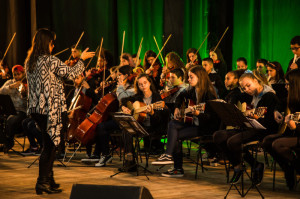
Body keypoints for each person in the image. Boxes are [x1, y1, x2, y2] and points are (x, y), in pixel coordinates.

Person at [25, 28, 94, 195]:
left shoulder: (30, 61)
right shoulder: (49, 60)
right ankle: (42, 182)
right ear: (47, 43)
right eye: (51, 42)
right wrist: (81, 59)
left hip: (36, 108)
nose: (53, 45)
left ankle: (50, 180)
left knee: (50, 143)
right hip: (50, 108)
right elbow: (71, 73)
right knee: (50, 146)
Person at [152, 66, 220, 177]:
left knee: (176, 136)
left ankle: (176, 167)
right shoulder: (192, 90)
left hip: (205, 128)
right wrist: (177, 107)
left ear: (200, 77)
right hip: (193, 123)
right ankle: (170, 159)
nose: (188, 79)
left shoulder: (209, 94)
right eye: (188, 77)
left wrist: (198, 114)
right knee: (173, 124)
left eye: (191, 77)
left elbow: (211, 118)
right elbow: (180, 97)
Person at [213, 72, 279, 185]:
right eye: (244, 88)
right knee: (218, 136)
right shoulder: (250, 94)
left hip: (263, 130)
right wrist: (232, 105)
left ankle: (250, 166)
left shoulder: (270, 96)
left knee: (233, 141)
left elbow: (270, 122)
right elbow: (235, 95)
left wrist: (255, 117)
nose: (247, 89)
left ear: (256, 81)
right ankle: (240, 165)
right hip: (249, 127)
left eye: (248, 85)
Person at [264, 69, 300, 190]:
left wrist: (296, 126)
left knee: (278, 144)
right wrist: (276, 111)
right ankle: (287, 168)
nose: (285, 87)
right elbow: (280, 102)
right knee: (267, 141)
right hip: (293, 133)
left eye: (288, 84)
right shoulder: (292, 96)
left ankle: (295, 168)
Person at [0, 65, 27, 151]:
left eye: (18, 74)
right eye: (14, 74)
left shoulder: (27, 84)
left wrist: (24, 93)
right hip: (9, 109)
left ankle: (9, 143)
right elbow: (1, 91)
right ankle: (5, 141)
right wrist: (11, 87)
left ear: (23, 74)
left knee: (10, 120)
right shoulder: (10, 82)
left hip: (21, 111)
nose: (16, 76)